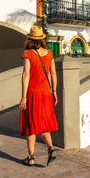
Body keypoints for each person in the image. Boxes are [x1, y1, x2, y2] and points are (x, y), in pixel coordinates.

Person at [19, 25, 58, 167]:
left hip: (33, 93)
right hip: (46, 93)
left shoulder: (28, 53)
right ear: (42, 39)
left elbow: (26, 74)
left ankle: (31, 158)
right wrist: (54, 91)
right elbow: (53, 73)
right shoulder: (49, 53)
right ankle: (50, 148)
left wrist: (24, 97)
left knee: (31, 126)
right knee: (43, 125)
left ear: (30, 39)